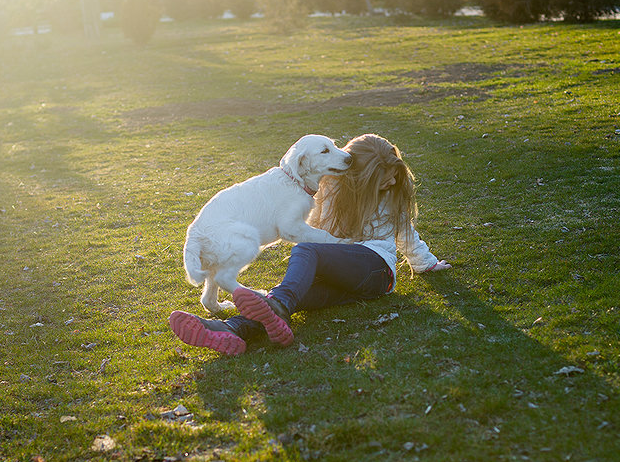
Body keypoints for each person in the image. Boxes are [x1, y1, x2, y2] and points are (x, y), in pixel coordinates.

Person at [168, 133, 451, 355]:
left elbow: (407, 234)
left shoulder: (392, 196)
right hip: (342, 278)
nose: (391, 180)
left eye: (394, 174)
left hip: (376, 271)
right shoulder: (329, 190)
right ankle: (226, 330)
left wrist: (426, 264)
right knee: (287, 297)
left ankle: (273, 307)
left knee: (302, 254)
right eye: (382, 176)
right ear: (360, 176)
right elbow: (307, 226)